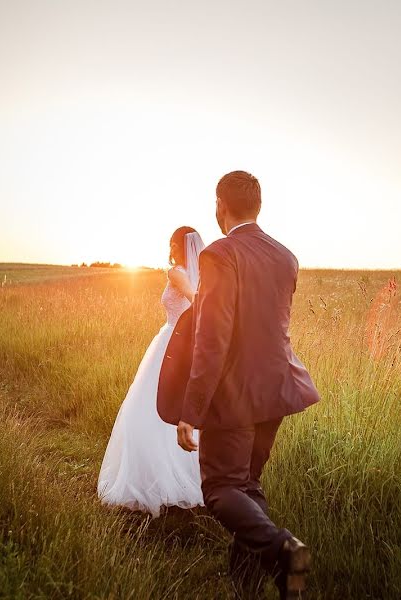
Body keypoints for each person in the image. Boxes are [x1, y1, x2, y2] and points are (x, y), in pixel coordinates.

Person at [162, 171, 321, 599]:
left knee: (220, 489)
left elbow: (211, 340)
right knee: (248, 485)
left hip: (235, 394)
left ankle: (283, 549)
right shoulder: (286, 256)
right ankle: (246, 584)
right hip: (276, 389)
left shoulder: (220, 254)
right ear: (258, 205)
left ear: (220, 204)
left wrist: (190, 412)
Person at [97, 226, 206, 515]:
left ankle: (154, 483)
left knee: (148, 409)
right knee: (166, 407)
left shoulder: (176, 272)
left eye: (172, 244)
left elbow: (196, 301)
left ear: (177, 245)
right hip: (183, 342)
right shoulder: (201, 273)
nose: (169, 249)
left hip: (172, 342)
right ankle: (174, 478)